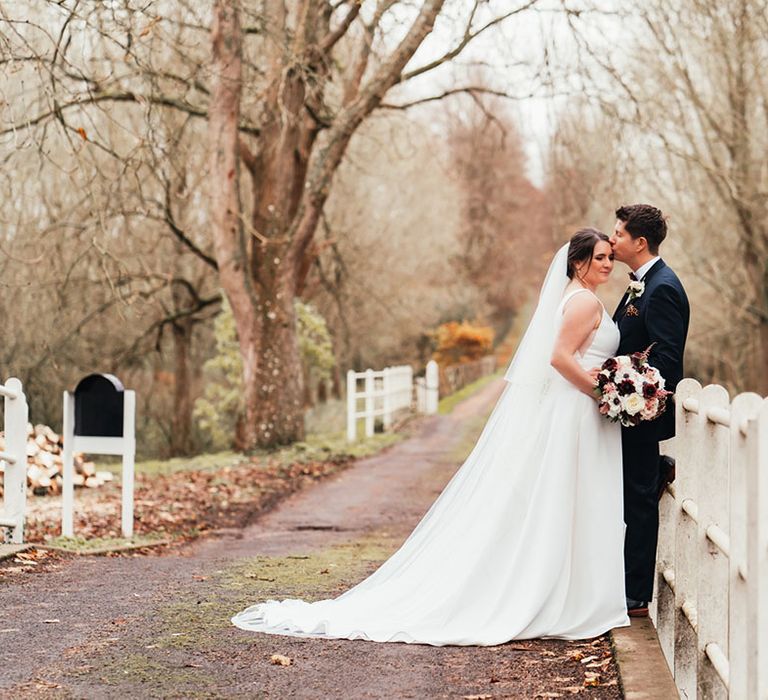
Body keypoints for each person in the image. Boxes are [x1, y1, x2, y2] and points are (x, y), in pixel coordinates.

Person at [231, 228, 630, 645]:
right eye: (599, 257)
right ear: (577, 262)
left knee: (569, 499)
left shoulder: (576, 296)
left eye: (609, 258)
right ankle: (568, 596)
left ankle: (571, 590)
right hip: (576, 409)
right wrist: (604, 392)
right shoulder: (583, 301)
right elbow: (559, 359)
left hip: (576, 410)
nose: (607, 264)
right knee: (571, 498)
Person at [609, 204, 690, 618]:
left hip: (642, 414)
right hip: (626, 413)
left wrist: (627, 389)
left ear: (640, 242)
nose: (612, 239)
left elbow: (667, 360)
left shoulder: (664, 287)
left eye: (619, 234)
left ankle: (636, 595)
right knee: (629, 497)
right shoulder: (640, 285)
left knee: (639, 500)